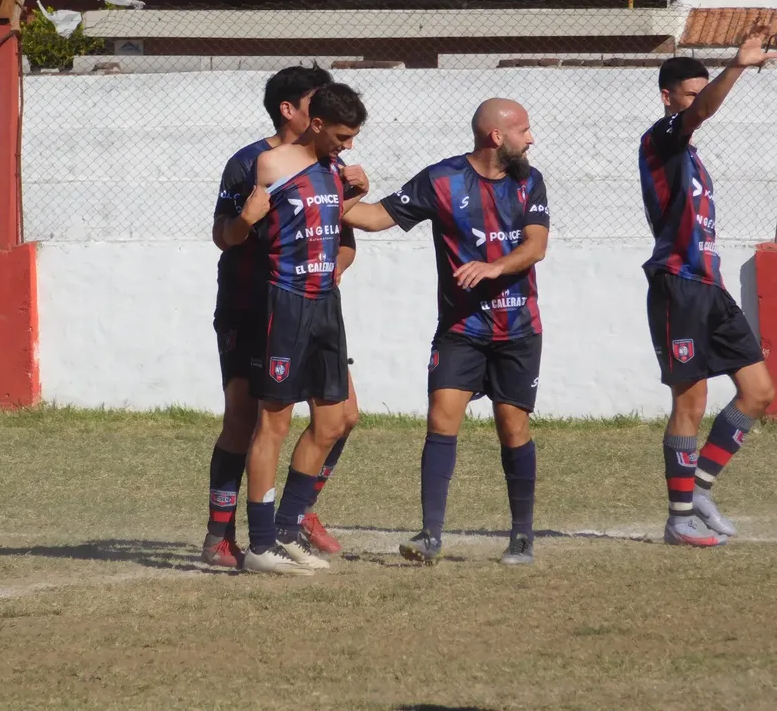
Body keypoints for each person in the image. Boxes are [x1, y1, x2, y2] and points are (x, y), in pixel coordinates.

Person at [341, 98, 549, 566]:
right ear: (497, 137)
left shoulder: (529, 181)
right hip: (461, 328)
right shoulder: (442, 179)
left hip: (518, 328)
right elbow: (373, 218)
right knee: (440, 418)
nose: (530, 139)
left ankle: (521, 536)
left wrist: (492, 268)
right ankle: (430, 535)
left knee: (512, 427)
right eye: (524, 130)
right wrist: (338, 192)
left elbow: (536, 247)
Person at [204, 67, 361, 568]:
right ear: (294, 112)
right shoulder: (253, 163)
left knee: (343, 416)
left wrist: (323, 274)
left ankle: (296, 513)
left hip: (311, 307)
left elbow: (343, 242)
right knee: (246, 421)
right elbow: (226, 233)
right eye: (317, 103)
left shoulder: (331, 165)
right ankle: (222, 535)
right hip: (253, 308)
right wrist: (250, 225)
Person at [638, 25, 777, 547]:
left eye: (700, 92)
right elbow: (700, 113)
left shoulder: (691, 156)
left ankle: (697, 491)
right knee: (690, 403)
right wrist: (737, 65)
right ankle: (678, 520)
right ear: (668, 97)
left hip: (710, 287)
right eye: (689, 94)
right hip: (678, 285)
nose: (697, 102)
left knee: (760, 391)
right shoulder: (661, 137)